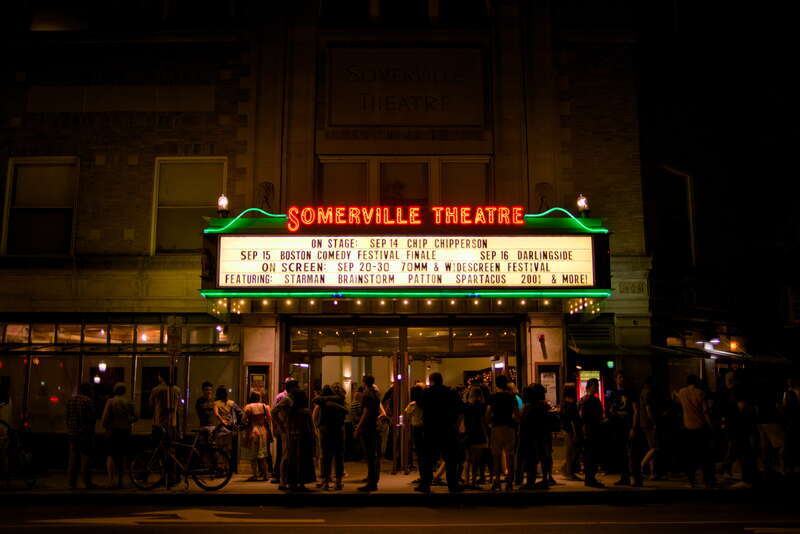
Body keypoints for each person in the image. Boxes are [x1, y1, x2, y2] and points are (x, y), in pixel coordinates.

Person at [417, 372, 463, 493]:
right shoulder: (451, 392)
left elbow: (421, 407)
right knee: (450, 459)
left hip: (431, 428)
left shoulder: (427, 392)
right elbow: (460, 410)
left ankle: (425, 484)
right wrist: (456, 426)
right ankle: (452, 485)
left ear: (431, 380)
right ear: (441, 380)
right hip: (448, 428)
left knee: (427, 458)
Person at [676, 374, 716, 488]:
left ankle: (691, 481)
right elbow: (705, 412)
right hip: (700, 428)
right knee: (705, 456)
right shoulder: (700, 393)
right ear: (696, 382)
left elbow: (678, 400)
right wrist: (712, 427)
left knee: (690, 456)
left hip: (688, 428)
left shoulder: (682, 392)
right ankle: (708, 481)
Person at [606, 371, 641, 486]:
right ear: (615, 379)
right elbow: (611, 409)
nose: (621, 380)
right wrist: (613, 413)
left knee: (632, 452)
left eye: (623, 377)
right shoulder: (613, 393)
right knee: (622, 453)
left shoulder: (630, 392)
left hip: (628, 425)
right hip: (618, 426)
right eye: (619, 377)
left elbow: (636, 410)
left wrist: (634, 427)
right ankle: (624, 477)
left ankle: (636, 478)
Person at [486, 374, 519, 491]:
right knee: (510, 455)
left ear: (497, 384)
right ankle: (510, 481)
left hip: (496, 427)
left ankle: (497, 481)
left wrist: (489, 423)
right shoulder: (512, 397)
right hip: (509, 427)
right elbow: (516, 414)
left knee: (496, 455)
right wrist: (516, 422)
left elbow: (488, 413)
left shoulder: (493, 397)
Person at [101, 382, 137, 489]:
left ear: (114, 390)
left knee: (111, 455)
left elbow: (105, 418)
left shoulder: (110, 401)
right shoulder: (128, 402)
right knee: (122, 456)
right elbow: (136, 416)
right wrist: (129, 421)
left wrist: (107, 427)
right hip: (125, 431)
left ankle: (111, 481)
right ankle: (121, 481)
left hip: (113, 431)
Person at [313, 384, 348, 490]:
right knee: (338, 457)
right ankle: (338, 482)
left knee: (326, 457)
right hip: (338, 430)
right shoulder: (339, 400)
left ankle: (326, 482)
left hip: (326, 431)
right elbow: (346, 411)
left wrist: (328, 401)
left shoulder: (322, 402)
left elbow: (316, 400)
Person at [518, 384, 553, 489]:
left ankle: (531, 482)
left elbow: (527, 424)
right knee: (542, 458)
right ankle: (544, 480)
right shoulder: (543, 407)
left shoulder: (531, 408)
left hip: (532, 438)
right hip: (541, 436)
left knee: (531, 460)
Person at [283, 389, 316, 491]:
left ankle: (292, 483)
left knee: (293, 460)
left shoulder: (292, 411)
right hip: (305, 437)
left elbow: (288, 423)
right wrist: (313, 436)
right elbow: (311, 426)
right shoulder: (306, 411)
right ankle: (302, 483)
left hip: (293, 437)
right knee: (304, 460)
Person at [66, 383, 97, 489]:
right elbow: (91, 419)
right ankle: (87, 482)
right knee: (85, 459)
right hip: (85, 434)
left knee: (73, 459)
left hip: (72, 433)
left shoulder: (70, 400)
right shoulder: (88, 401)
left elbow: (67, 417)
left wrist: (69, 428)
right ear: (88, 391)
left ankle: (72, 483)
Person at [355, 375, 381, 491]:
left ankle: (371, 483)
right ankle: (373, 480)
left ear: (364, 382)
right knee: (373, 455)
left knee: (370, 456)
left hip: (367, 427)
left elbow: (366, 412)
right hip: (374, 426)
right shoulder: (376, 394)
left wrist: (358, 427)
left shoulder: (367, 395)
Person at [271, 377, 298, 483]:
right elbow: (274, 411)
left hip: (289, 428)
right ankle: (278, 475)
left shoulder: (294, 397)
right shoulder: (282, 397)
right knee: (282, 452)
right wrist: (278, 425)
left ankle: (285, 476)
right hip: (284, 428)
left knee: (286, 452)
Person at [579, 378, 604, 487]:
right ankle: (590, 479)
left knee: (589, 455)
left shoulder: (583, 400)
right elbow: (598, 415)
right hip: (592, 431)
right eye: (595, 386)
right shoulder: (592, 400)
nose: (597, 388)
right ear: (590, 387)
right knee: (592, 455)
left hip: (588, 431)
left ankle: (589, 478)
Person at [461, 386, 488, 488]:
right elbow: (483, 421)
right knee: (476, 460)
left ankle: (466, 480)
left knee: (467, 459)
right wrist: (486, 435)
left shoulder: (467, 406)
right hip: (478, 433)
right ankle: (473, 481)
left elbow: (463, 421)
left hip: (468, 433)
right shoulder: (481, 406)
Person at [243, 391, 272, 481]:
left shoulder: (248, 407)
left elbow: (243, 419)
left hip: (253, 430)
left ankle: (255, 475)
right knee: (263, 454)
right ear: (259, 398)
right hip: (263, 430)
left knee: (253, 455)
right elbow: (269, 419)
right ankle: (265, 475)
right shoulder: (265, 406)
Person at [638, 377, 659, 480]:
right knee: (655, 447)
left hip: (643, 421)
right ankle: (641, 466)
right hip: (648, 423)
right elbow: (648, 408)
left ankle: (652, 473)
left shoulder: (642, 392)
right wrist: (654, 421)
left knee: (651, 447)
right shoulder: (648, 393)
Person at [148, 373, 181, 439]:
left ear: (160, 377)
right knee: (171, 440)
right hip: (173, 421)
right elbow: (179, 404)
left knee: (159, 440)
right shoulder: (177, 390)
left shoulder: (156, 390)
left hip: (159, 421)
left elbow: (151, 405)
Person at [559, 385, 582, 481]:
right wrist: (575, 431)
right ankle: (568, 471)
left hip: (566, 429)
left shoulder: (564, 404)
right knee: (572, 451)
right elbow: (573, 419)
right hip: (571, 430)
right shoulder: (571, 404)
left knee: (571, 451)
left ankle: (566, 469)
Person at [213, 386, 243, 457]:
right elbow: (240, 413)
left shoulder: (216, 403)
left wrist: (222, 420)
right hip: (231, 428)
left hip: (221, 428)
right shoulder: (231, 403)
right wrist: (238, 423)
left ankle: (222, 461)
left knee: (220, 448)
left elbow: (216, 414)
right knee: (229, 448)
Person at [404, 385, 425, 476]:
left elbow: (407, 417)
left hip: (417, 429)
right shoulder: (426, 404)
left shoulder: (412, 405)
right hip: (426, 428)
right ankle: (427, 474)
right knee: (426, 452)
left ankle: (422, 475)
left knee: (419, 453)